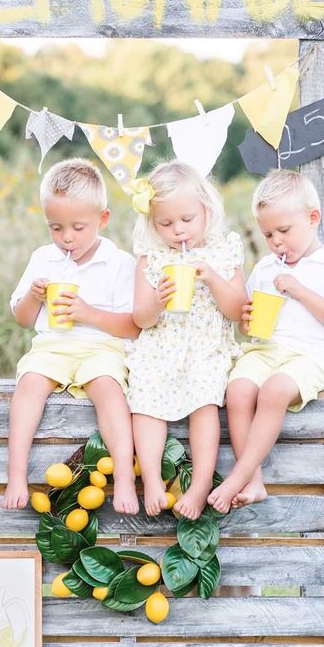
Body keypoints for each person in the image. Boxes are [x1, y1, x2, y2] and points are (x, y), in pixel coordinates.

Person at [208, 168, 324, 514]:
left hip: (310, 357)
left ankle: (238, 476)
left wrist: (301, 290)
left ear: (313, 218)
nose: (276, 242)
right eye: (268, 234)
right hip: (266, 350)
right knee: (239, 389)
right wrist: (247, 320)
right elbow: (251, 322)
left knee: (274, 390)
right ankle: (255, 479)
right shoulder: (264, 268)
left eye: (284, 231)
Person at [2, 158, 140, 514]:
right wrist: (33, 296)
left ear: (103, 219)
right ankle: (16, 475)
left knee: (108, 389)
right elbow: (22, 318)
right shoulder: (43, 259)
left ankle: (124, 476)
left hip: (101, 347)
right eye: (55, 227)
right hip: (53, 346)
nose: (67, 237)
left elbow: (133, 325)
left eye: (79, 227)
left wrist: (87, 313)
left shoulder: (119, 262)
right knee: (29, 384)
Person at [127, 161, 247, 519]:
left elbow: (238, 311)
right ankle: (151, 481)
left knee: (205, 399)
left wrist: (213, 279)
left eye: (187, 220)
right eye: (165, 223)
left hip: (206, 348)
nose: (178, 231)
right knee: (145, 395)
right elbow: (140, 318)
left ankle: (199, 487)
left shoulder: (224, 252)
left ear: (206, 212)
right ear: (152, 223)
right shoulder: (151, 258)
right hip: (161, 345)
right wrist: (157, 300)